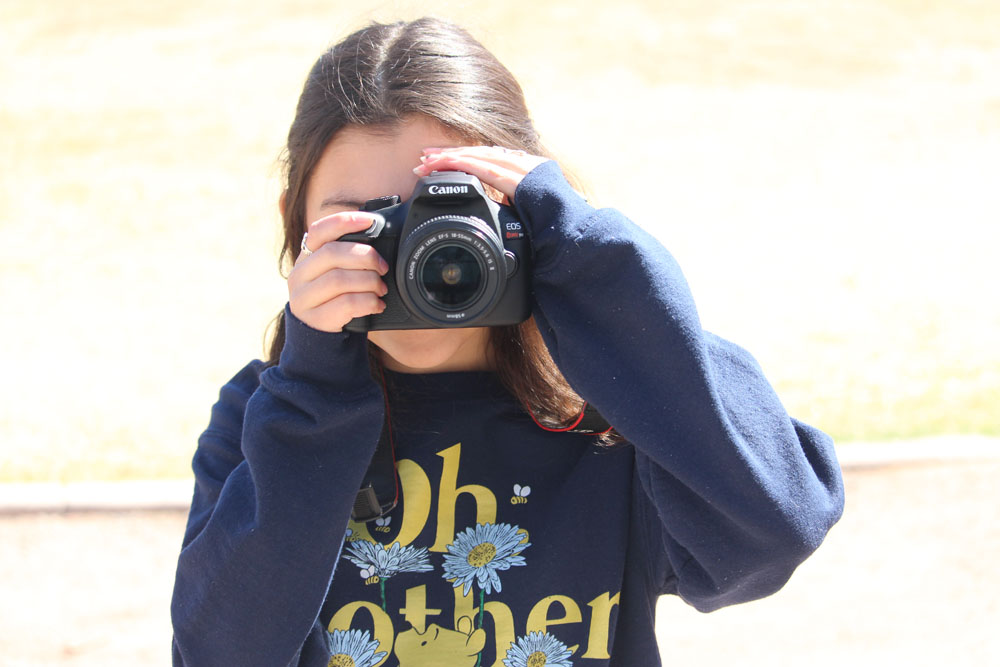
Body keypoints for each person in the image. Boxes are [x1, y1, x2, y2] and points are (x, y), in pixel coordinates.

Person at [170, 17, 844, 667]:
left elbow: (771, 535)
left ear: (526, 211)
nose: (412, 258)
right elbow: (219, 653)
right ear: (298, 222)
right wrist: (314, 394)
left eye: (445, 211)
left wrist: (600, 277)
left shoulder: (611, 411)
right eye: (368, 225)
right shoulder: (269, 422)